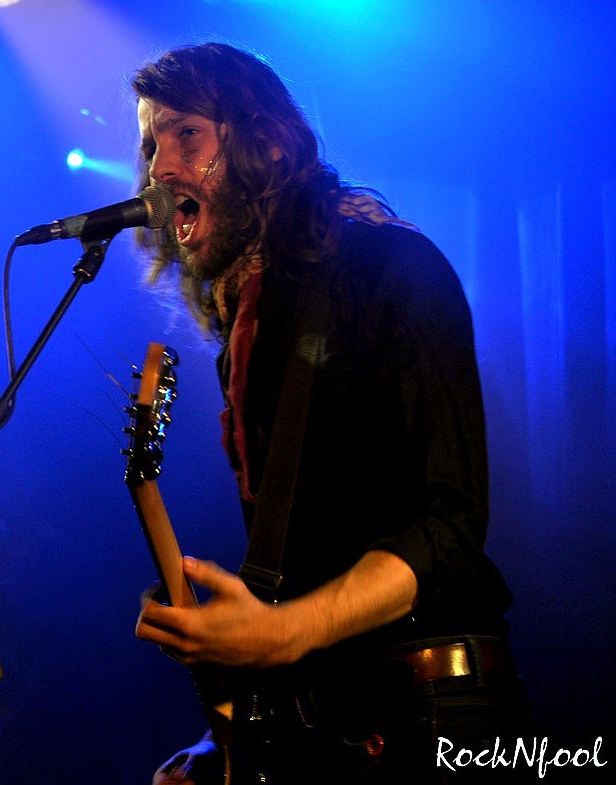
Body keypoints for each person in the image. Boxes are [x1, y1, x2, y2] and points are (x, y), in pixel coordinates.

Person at [128, 43, 533, 783]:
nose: (160, 168)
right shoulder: (249, 326)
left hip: (430, 712)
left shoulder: (392, 266)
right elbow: (304, 569)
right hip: (328, 719)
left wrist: (284, 633)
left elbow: (451, 522)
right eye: (152, 144)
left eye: (187, 134)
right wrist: (232, 737)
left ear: (268, 145)